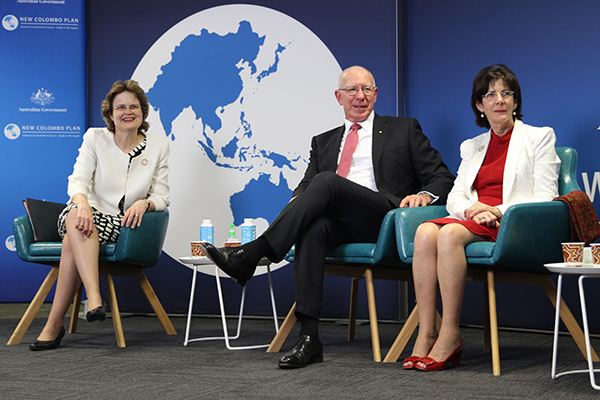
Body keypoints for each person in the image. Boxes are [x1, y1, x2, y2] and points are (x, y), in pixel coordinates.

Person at [201, 65, 455, 368]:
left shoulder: (403, 129)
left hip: (384, 219)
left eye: (367, 90)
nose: (360, 96)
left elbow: (442, 177)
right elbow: (305, 188)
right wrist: (299, 201)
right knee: (313, 227)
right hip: (339, 223)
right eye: (352, 90)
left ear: (376, 95)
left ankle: (254, 253)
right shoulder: (323, 141)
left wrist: (425, 196)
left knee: (327, 181)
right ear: (338, 97)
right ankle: (309, 339)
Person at [403, 64, 561, 371]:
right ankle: (426, 331)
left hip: (513, 222)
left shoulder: (539, 137)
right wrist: (473, 210)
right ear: (479, 104)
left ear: (516, 102)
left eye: (506, 93)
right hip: (476, 219)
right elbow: (456, 196)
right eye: (490, 94)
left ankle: (450, 334)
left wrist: (496, 211)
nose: (499, 100)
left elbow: (545, 195)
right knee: (424, 232)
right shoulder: (472, 146)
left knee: (448, 234)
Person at [29, 80, 170, 351]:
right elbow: (78, 180)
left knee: (72, 239)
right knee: (76, 219)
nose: (127, 112)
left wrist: (145, 204)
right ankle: (94, 296)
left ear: (142, 112)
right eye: (120, 107)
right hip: (83, 213)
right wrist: (81, 204)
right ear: (110, 114)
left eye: (134, 106)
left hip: (122, 223)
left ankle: (54, 325)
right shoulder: (95, 137)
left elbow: (162, 196)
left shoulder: (158, 146)